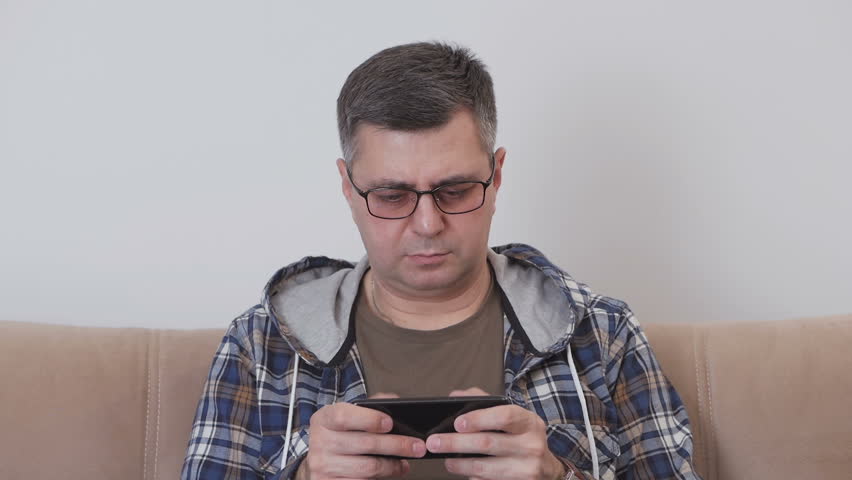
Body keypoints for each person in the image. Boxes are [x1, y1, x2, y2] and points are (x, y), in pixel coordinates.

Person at [181, 42, 700, 480]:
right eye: (391, 195)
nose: (427, 224)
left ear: (496, 176)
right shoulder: (260, 343)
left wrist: (559, 475)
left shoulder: (603, 334)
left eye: (454, 190)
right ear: (348, 186)